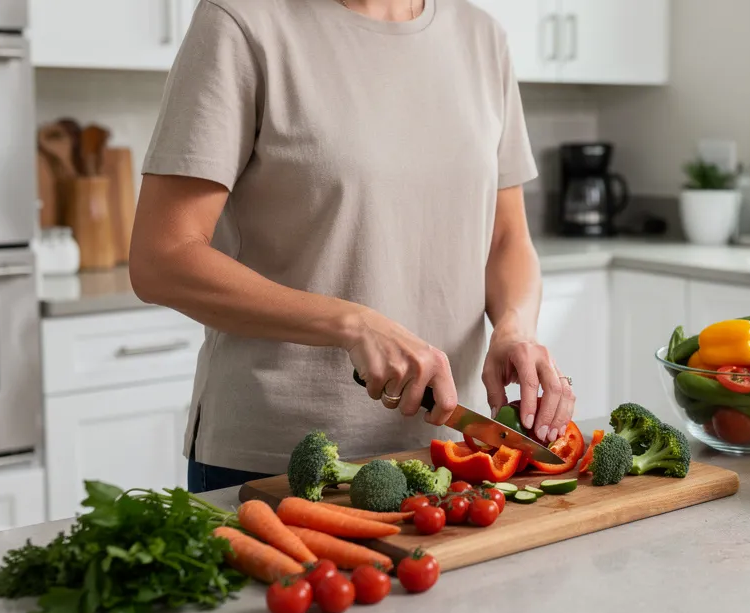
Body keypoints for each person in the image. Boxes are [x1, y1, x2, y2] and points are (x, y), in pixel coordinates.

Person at [129, 0, 575, 493]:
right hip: (277, 462)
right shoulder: (241, 20)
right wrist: (352, 323)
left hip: (448, 454)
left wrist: (514, 327)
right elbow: (162, 258)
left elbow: (507, 238)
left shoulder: (482, 37)